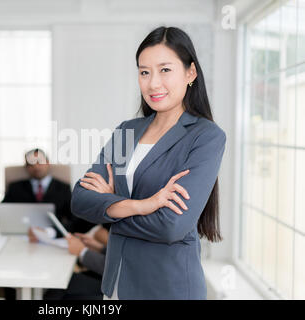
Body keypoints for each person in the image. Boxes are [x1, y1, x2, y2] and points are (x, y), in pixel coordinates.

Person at [71, 26, 226, 300]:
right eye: (144, 72)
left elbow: (171, 226)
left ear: (190, 73)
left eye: (165, 70)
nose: (153, 83)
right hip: (115, 285)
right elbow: (80, 200)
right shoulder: (126, 131)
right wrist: (142, 205)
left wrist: (110, 206)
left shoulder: (205, 137)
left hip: (166, 288)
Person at [0, 148, 94, 236]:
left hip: (51, 238)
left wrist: (53, 232)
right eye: (31, 164)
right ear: (26, 168)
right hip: (21, 238)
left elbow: (75, 221)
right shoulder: (16, 188)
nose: (36, 167)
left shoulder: (63, 188)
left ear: (48, 163)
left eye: (39, 162)